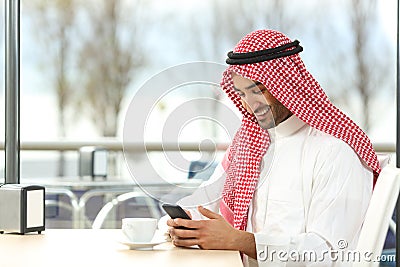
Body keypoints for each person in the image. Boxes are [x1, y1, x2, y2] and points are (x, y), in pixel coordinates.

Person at [164, 29, 381, 267]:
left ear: (286, 84)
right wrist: (183, 226)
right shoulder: (249, 144)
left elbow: (327, 253)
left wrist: (243, 242)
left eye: (258, 90)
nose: (250, 104)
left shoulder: (334, 151)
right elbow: (206, 203)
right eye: (242, 93)